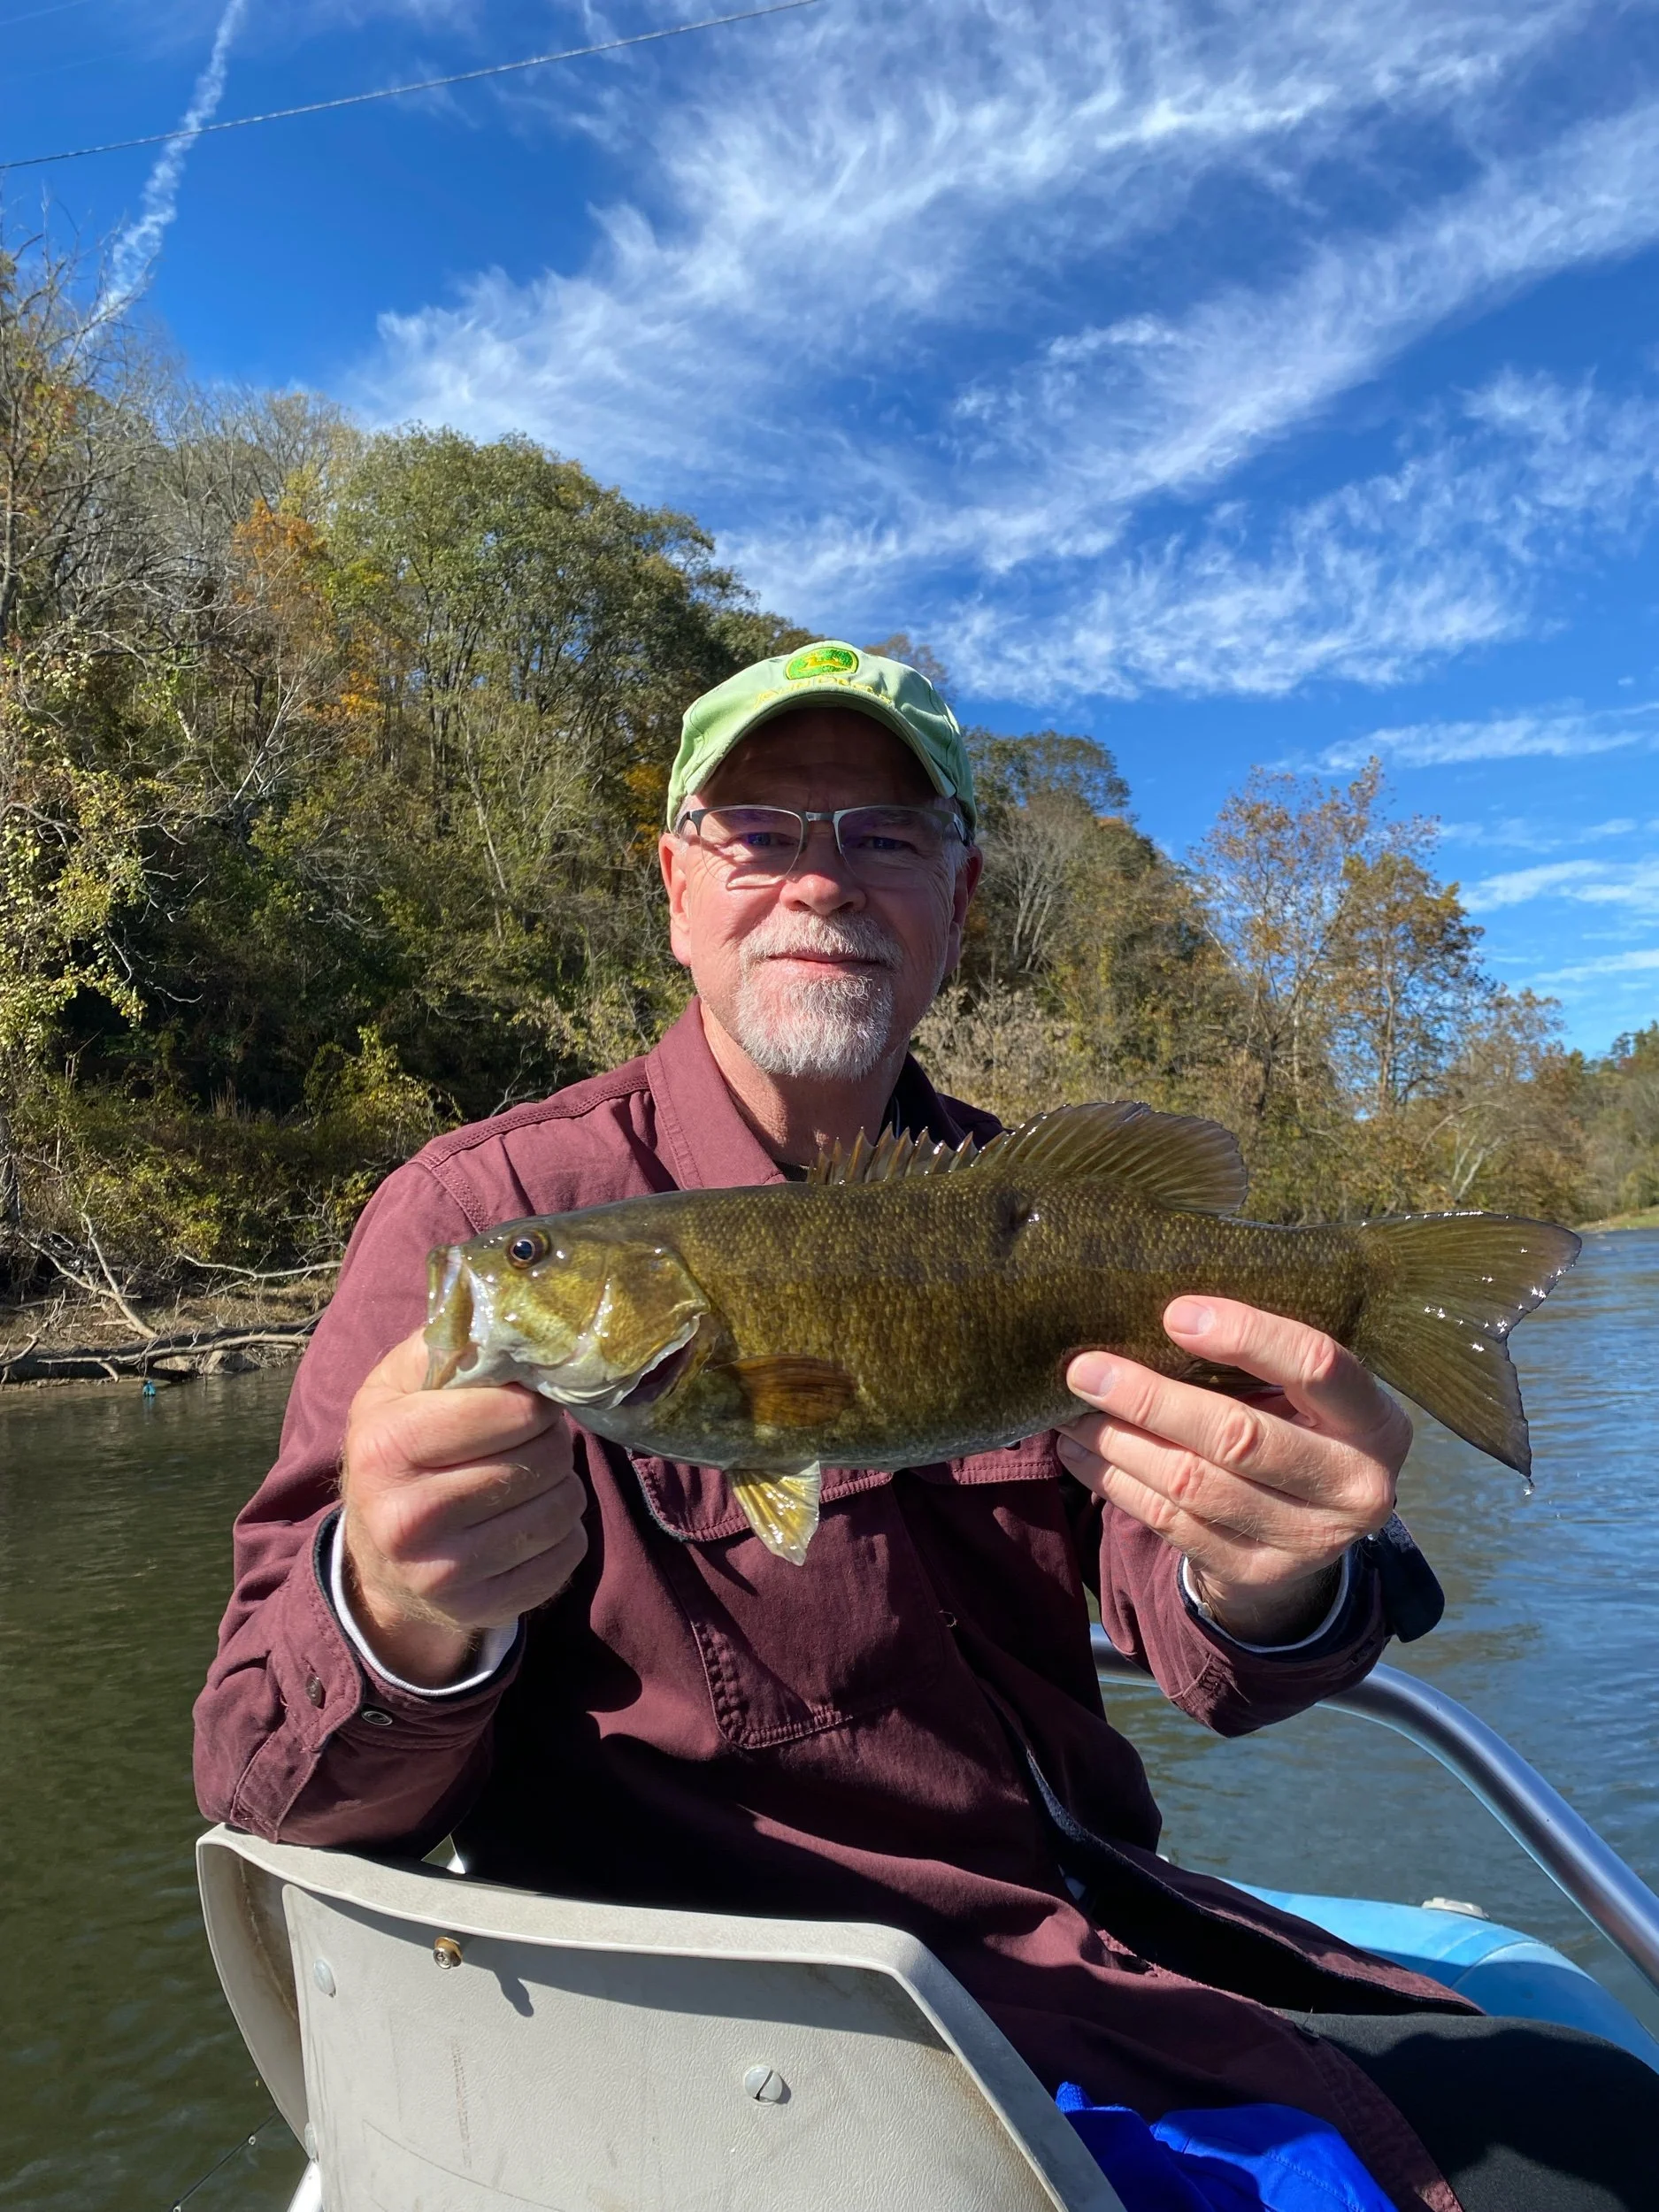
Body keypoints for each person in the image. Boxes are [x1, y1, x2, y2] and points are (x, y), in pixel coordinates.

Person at [196, 641, 1657, 2212]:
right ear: (675, 885)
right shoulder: (480, 1212)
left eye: (885, 836)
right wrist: (404, 1611)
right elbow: (267, 1796)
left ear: (957, 908)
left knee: (1609, 2123)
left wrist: (1278, 1577)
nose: (819, 882)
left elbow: (1213, 1666)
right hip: (715, 2075)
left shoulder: (1050, 1209)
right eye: (761, 830)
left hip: (1083, 1972)